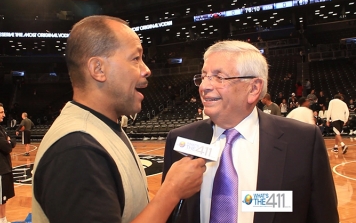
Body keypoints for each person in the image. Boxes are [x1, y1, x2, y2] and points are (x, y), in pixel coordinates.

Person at [32, 15, 206, 223]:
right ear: (98, 69)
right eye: (135, 58)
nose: (146, 69)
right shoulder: (77, 150)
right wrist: (171, 192)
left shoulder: (101, 127)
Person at [162, 40, 338, 223]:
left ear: (254, 88)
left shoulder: (303, 141)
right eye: (204, 76)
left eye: (218, 77)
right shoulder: (180, 140)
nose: (204, 87)